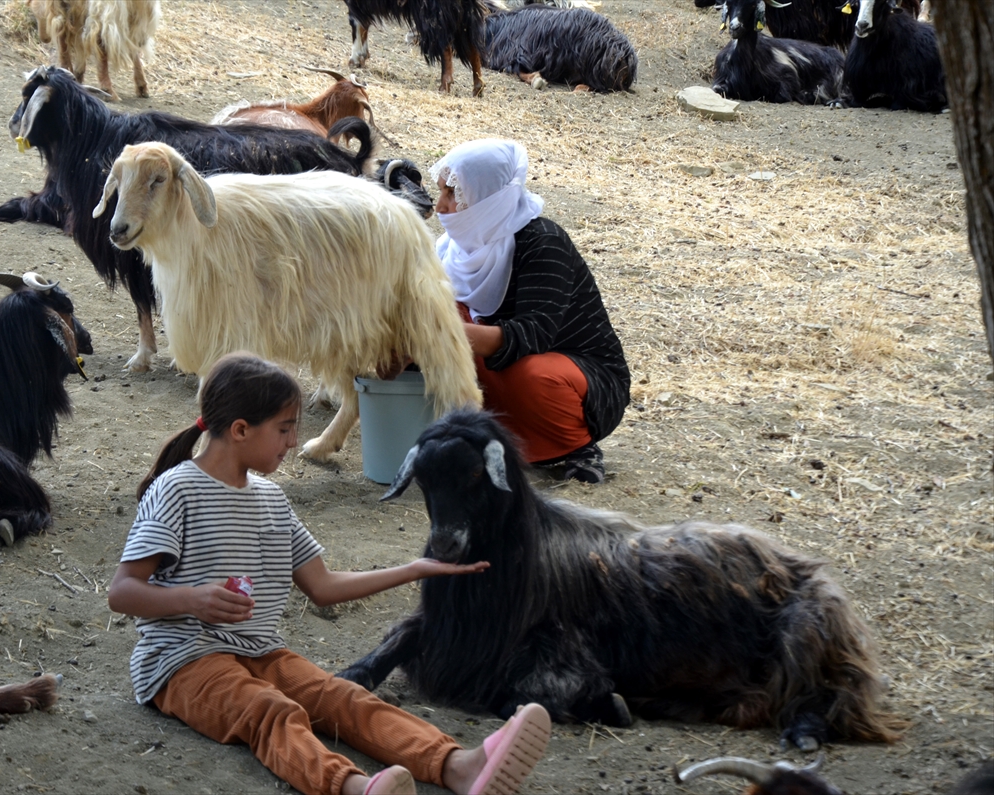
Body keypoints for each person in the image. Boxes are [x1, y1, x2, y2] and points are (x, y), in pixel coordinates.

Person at [108, 352, 552, 795]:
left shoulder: (271, 500)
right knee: (270, 711)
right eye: (284, 429)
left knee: (343, 696)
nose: (293, 441)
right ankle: (354, 787)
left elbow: (322, 586)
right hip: (182, 662)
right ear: (241, 430)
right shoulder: (178, 489)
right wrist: (192, 599)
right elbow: (123, 592)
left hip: (262, 652)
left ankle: (458, 765)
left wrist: (415, 569)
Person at [431, 139, 630, 484]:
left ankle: (575, 447)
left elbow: (533, 334)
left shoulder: (542, 242)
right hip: (500, 363)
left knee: (533, 374)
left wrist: (439, 332)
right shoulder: (452, 251)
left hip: (576, 374)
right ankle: (484, 436)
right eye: (441, 193)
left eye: (453, 195)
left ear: (487, 199)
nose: (440, 207)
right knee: (437, 308)